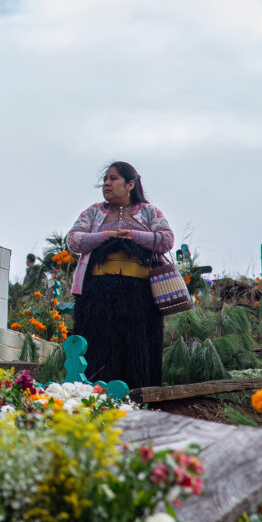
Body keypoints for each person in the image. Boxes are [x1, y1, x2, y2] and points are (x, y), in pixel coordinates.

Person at [66, 161, 175, 389]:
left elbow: (166, 239)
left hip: (140, 296)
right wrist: (107, 236)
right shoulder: (94, 212)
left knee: (139, 350)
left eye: (113, 178)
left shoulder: (149, 212)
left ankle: (139, 401)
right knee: (99, 347)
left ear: (130, 184)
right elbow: (74, 239)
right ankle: (96, 397)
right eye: (105, 179)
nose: (107, 183)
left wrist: (134, 236)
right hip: (98, 294)